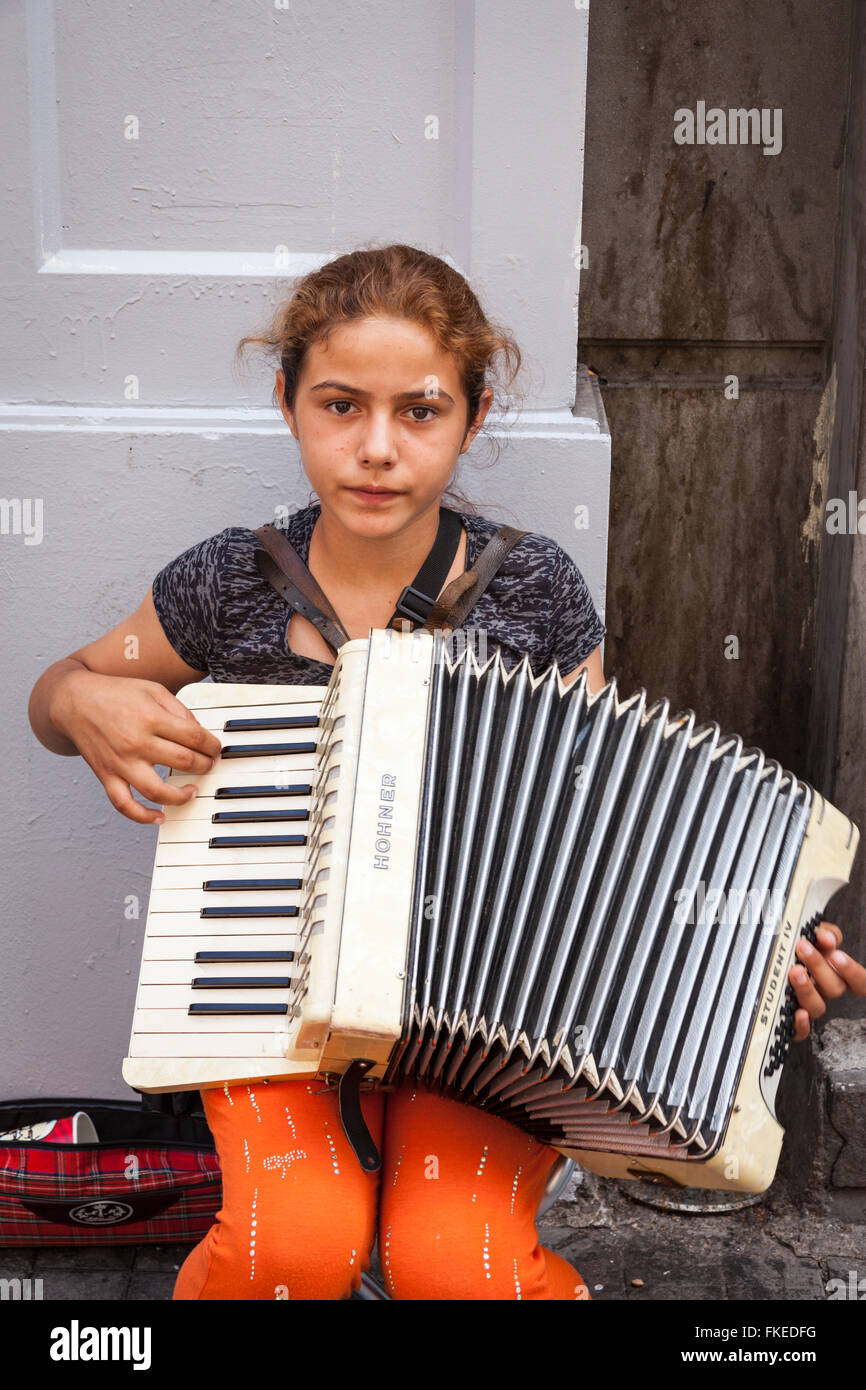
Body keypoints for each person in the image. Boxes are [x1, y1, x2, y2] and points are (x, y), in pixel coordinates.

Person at [28, 244, 866, 1301]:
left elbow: (611, 831)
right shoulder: (227, 583)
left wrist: (745, 961)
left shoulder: (535, 592)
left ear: (470, 418)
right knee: (290, 1244)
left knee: (455, 1267)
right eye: (340, 405)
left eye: (418, 411)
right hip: (261, 1001)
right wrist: (75, 700)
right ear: (288, 402)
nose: (376, 447)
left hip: (486, 1040)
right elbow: (60, 692)